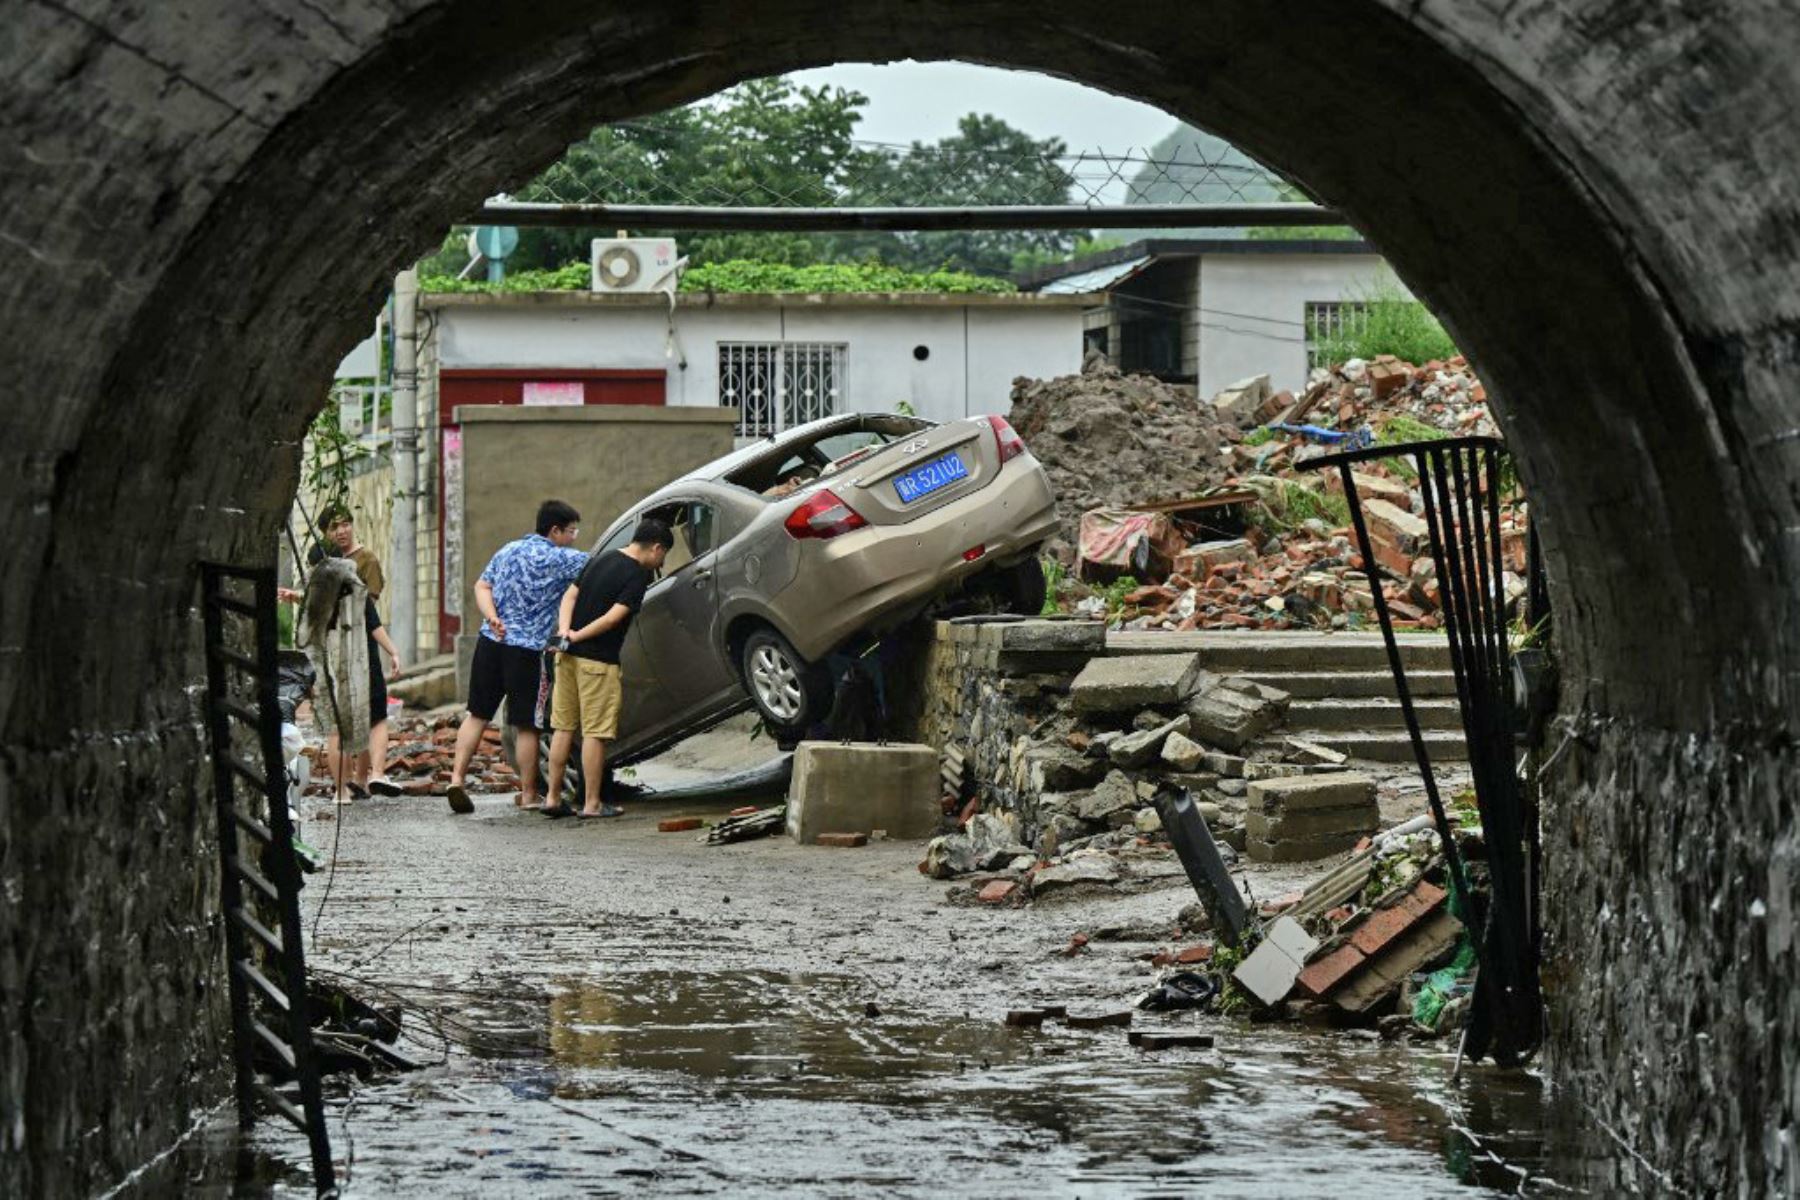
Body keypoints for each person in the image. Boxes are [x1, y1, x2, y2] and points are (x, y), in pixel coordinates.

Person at [446, 500, 589, 815]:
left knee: (477, 714)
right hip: (527, 650)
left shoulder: (507, 550)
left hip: (490, 641)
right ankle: (528, 794)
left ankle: (456, 779)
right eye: (571, 531)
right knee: (527, 725)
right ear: (555, 530)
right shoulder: (563, 559)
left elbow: (482, 586)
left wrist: (493, 616)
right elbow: (602, 568)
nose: (574, 537)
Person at [542, 517, 671, 818]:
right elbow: (614, 618)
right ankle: (592, 804)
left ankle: (551, 798)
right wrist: (578, 635)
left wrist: (565, 632)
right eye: (663, 555)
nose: (660, 562)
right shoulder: (637, 577)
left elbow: (570, 595)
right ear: (655, 548)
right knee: (594, 734)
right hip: (597, 662)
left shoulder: (602, 559)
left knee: (563, 727)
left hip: (567, 657)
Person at [316, 505, 401, 796]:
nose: (340, 531)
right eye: (333, 527)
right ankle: (358, 780)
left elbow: (368, 610)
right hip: (354, 650)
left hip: (352, 647)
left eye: (344, 525)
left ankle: (359, 781)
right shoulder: (334, 568)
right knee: (365, 719)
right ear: (326, 534)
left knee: (353, 721)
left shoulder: (365, 561)